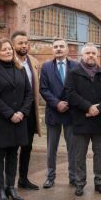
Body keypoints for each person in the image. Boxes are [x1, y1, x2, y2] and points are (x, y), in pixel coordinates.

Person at [0, 39, 33, 200]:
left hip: (19, 119)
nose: (8, 52)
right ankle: (0, 189)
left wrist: (22, 112)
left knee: (13, 154)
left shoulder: (20, 70)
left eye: (9, 49)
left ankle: (11, 187)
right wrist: (10, 113)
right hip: (0, 120)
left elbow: (29, 93)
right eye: (4, 49)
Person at [65, 43, 101, 196]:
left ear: (97, 56)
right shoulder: (73, 73)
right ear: (82, 55)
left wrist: (99, 108)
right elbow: (70, 94)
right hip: (81, 120)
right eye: (88, 53)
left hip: (99, 120)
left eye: (93, 53)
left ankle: (99, 182)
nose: (91, 55)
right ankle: (80, 183)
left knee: (99, 154)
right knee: (79, 155)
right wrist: (88, 107)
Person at [39, 38, 79, 189]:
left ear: (67, 49)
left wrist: (68, 103)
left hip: (71, 112)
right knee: (51, 148)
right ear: (52, 50)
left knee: (72, 147)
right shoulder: (46, 67)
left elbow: (78, 87)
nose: (58, 49)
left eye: (62, 46)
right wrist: (57, 103)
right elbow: (43, 89)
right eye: (55, 47)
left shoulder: (75, 66)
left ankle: (73, 177)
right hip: (53, 112)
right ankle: (50, 177)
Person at [11, 31, 41, 189]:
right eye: (20, 43)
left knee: (27, 146)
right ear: (13, 45)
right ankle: (9, 182)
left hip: (28, 111)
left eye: (26, 42)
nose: (24, 46)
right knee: (12, 148)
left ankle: (23, 179)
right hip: (13, 113)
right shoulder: (7, 61)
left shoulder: (33, 61)